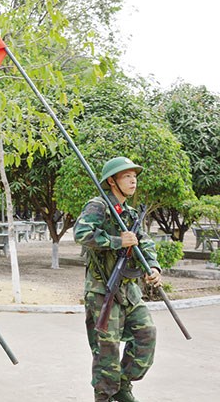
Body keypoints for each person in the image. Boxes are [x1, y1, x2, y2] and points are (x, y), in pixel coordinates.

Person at [74, 157, 161, 402]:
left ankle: (122, 385)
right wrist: (116, 241)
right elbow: (81, 233)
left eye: (134, 176)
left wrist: (153, 266)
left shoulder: (131, 213)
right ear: (112, 181)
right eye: (126, 176)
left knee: (147, 335)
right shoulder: (98, 206)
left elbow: (145, 242)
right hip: (103, 291)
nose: (133, 180)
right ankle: (105, 396)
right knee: (107, 351)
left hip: (129, 290)